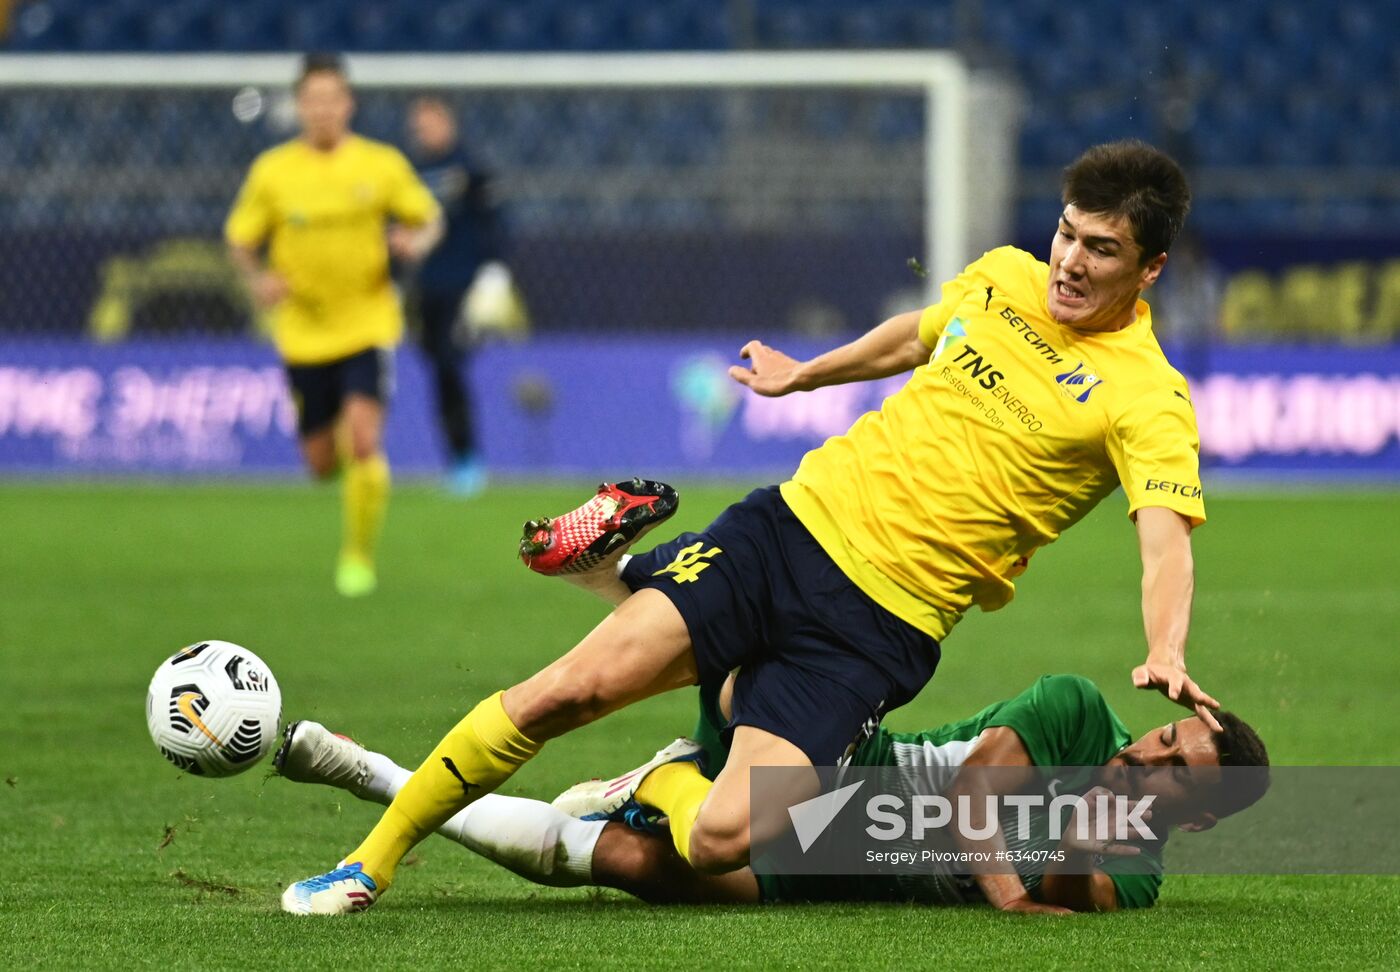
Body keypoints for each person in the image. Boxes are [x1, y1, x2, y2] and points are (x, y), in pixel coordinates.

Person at [281, 139, 1221, 915]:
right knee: (565, 693)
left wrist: (1166, 646)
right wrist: (804, 375)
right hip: (788, 531)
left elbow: (1164, 535)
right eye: (1065, 235)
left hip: (878, 632)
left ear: (1150, 267)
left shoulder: (1147, 396)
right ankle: (368, 865)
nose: (1068, 261)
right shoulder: (1003, 279)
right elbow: (917, 334)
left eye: (1100, 250)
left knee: (716, 837)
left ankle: (651, 766)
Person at [276, 674, 1269, 913]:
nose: (1149, 754)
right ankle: (630, 588)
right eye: (1166, 735)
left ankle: (366, 770)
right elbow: (971, 792)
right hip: (857, 770)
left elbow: (1075, 880)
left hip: (860, 872)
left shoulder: (1137, 876)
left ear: (1199, 816)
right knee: (749, 676)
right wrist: (1005, 894)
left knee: (626, 863)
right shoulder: (1073, 708)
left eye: (1176, 771)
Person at [226, 55, 443, 597]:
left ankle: (357, 557)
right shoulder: (273, 171)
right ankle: (347, 480)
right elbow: (239, 241)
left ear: (348, 104)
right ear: (300, 107)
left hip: (368, 324)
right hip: (303, 331)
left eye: (333, 99)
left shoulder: (381, 164)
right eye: (313, 100)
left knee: (365, 441)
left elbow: (430, 218)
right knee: (321, 463)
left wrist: (414, 243)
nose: (323, 110)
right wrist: (258, 279)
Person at [404, 96, 517, 495]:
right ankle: (456, 459)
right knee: (437, 369)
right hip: (424, 287)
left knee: (452, 367)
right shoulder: (408, 171)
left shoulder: (470, 168)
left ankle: (468, 459)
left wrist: (494, 270)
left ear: (449, 121)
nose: (423, 130)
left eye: (430, 121)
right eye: (418, 123)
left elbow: (496, 223)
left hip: (462, 286)